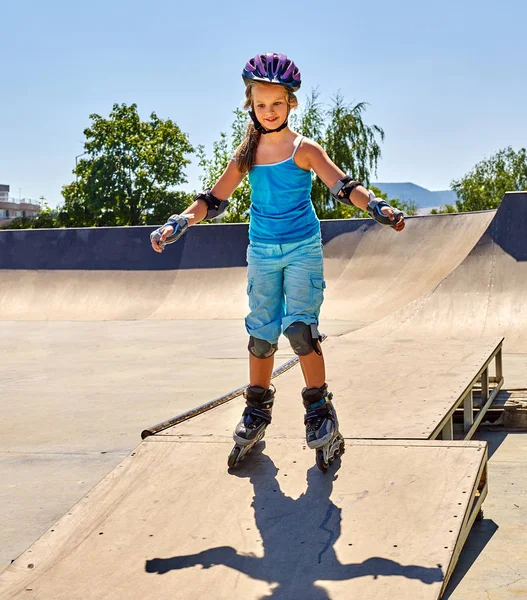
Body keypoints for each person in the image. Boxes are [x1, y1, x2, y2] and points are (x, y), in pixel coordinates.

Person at [151, 52, 405, 464]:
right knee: (261, 334)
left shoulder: (304, 149)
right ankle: (256, 409)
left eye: (277, 103)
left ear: (291, 104)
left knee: (301, 331)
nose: (269, 111)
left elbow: (343, 185)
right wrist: (180, 222)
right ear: (250, 104)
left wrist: (376, 207)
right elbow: (214, 199)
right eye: (260, 103)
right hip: (263, 252)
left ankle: (319, 409)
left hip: (303, 248)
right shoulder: (247, 152)